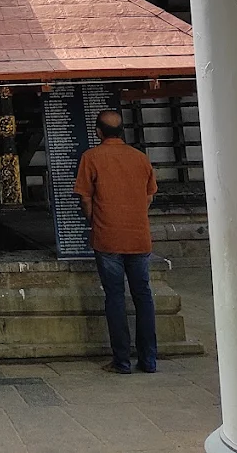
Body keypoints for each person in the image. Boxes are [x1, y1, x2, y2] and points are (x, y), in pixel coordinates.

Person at [73, 110, 158, 375]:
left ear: (99, 131)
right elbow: (149, 195)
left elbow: (85, 198)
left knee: (115, 297)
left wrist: (95, 219)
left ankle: (121, 361)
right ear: (121, 131)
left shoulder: (91, 158)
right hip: (139, 236)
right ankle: (149, 360)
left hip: (108, 236)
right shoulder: (140, 158)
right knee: (143, 296)